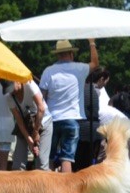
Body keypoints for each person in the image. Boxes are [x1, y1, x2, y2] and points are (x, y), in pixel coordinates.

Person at [40, 38, 98, 172]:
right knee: (67, 158)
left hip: (52, 119)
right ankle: (67, 191)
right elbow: (95, 63)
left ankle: (49, 190)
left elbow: (42, 97)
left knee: (49, 157)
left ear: (57, 54)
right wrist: (92, 43)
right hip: (72, 119)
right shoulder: (80, 68)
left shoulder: (48, 71)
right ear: (71, 53)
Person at [8, 79, 53, 171]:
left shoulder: (29, 84)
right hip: (26, 126)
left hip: (44, 122)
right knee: (18, 165)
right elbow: (19, 121)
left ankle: (43, 184)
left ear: (17, 81)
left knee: (41, 164)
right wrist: (29, 140)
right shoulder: (8, 96)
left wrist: (35, 132)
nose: (10, 91)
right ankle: (19, 185)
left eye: (10, 87)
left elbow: (41, 108)